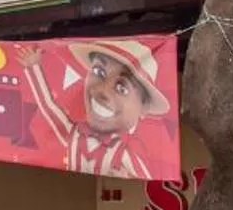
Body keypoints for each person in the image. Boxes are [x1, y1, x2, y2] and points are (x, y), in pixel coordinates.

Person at [22, 37, 174, 179]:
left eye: (122, 88)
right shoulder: (73, 134)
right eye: (98, 72)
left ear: (143, 108)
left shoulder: (123, 153)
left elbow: (147, 179)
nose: (103, 91)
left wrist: (125, 179)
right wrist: (33, 67)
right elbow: (48, 107)